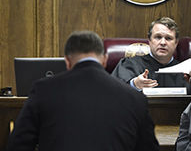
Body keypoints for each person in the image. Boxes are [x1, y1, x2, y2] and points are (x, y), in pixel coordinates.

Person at [6, 31, 159, 151]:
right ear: (105, 59)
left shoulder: (43, 90)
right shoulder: (134, 98)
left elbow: (18, 144)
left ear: (67, 61)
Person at [111, 17, 191, 94]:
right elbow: (112, 91)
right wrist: (134, 85)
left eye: (168, 38)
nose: (163, 43)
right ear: (149, 40)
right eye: (158, 37)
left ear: (176, 43)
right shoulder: (130, 64)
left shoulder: (186, 72)